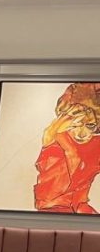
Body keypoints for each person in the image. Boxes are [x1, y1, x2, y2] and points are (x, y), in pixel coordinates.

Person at [34, 82, 99, 214]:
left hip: (80, 210)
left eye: (91, 126)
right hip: (52, 211)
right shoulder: (54, 139)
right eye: (75, 125)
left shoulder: (95, 144)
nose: (82, 133)